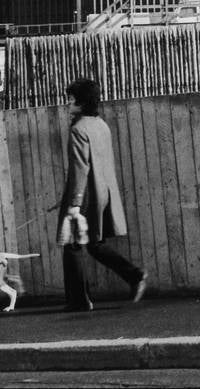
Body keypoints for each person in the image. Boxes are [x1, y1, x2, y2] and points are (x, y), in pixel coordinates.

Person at [58, 78, 147, 312]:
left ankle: (78, 300)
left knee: (72, 245)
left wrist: (74, 203)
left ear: (80, 102)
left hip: (85, 195)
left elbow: (80, 168)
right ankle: (134, 275)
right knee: (95, 244)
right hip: (103, 192)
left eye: (70, 100)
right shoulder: (101, 125)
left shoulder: (78, 129)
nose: (67, 104)